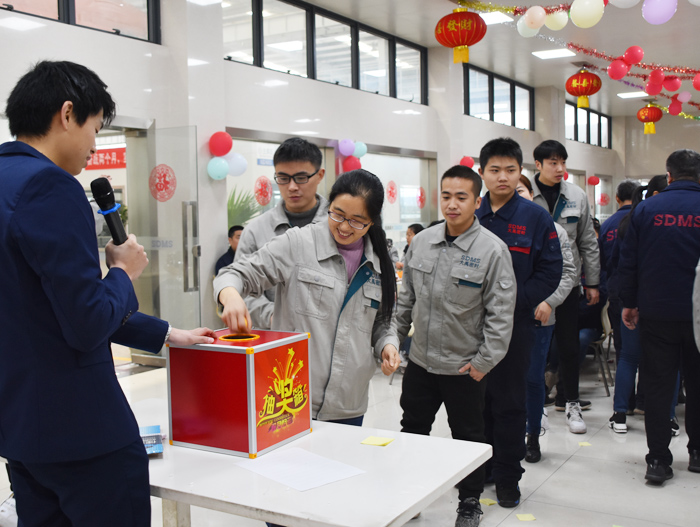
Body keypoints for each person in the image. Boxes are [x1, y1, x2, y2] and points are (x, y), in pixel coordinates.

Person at [0, 61, 216, 527]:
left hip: (20, 432)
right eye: (96, 129)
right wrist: (123, 271)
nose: (95, 146)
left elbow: (42, 308)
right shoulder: (51, 187)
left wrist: (167, 334)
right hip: (82, 433)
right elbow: (86, 322)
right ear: (67, 113)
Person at [215, 169, 401, 424]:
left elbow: (382, 320)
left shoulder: (379, 261)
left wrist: (388, 344)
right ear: (329, 205)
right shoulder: (298, 243)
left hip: (349, 402)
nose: (344, 227)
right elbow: (236, 273)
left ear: (372, 222)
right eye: (337, 214)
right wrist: (231, 296)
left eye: (357, 221)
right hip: (292, 399)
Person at [393, 165, 516, 527]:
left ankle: (470, 502)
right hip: (420, 361)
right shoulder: (422, 242)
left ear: (477, 202)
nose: (452, 204)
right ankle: (411, 493)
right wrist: (393, 342)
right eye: (446, 196)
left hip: (463, 366)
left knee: (468, 438)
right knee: (413, 428)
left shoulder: (492, 250)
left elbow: (501, 314)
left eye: (462, 197)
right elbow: (405, 300)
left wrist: (483, 363)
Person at [476, 138, 562, 507]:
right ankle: (481, 468)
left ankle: (508, 476)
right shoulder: (469, 214)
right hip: (471, 329)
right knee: (476, 403)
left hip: (516, 327)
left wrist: (514, 300)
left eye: (510, 170)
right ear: (482, 173)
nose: (503, 177)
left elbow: (551, 271)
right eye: (494, 170)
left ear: (520, 172)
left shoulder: (535, 218)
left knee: (510, 403)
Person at [619, 149, 700, 483]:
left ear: (669, 176)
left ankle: (658, 460)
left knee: (657, 386)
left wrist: (629, 302)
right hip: (698, 316)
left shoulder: (646, 209)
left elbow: (629, 261)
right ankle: (697, 453)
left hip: (657, 311)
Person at [531, 140, 600, 432]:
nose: (560, 168)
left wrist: (592, 281)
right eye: (553, 163)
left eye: (563, 162)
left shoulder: (577, 196)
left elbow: (587, 241)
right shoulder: (525, 193)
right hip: (536, 287)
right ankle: (535, 406)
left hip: (569, 285)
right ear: (538, 165)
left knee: (570, 346)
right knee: (535, 347)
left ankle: (571, 402)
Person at [232, 137, 328, 329]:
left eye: (301, 178)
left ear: (319, 175)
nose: (292, 187)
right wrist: (274, 316)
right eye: (283, 178)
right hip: (276, 337)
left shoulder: (340, 227)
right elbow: (242, 288)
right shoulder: (256, 231)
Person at [608, 176, 679, 434]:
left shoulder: (631, 220)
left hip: (634, 299)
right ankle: (668, 418)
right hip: (667, 302)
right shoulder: (672, 220)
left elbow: (618, 263)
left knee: (628, 356)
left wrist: (628, 299)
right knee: (670, 362)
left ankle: (619, 414)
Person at [515, 176, 576, 464]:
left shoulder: (554, 230)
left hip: (539, 316)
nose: (517, 196)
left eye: (521, 190)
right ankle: (506, 435)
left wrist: (549, 301)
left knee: (532, 377)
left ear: (531, 194)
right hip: (502, 317)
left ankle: (532, 435)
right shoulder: (494, 226)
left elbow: (567, 273)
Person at [599, 180, 641, 358]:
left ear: (617, 198)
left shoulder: (607, 225)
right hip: (641, 290)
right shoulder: (642, 219)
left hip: (616, 288)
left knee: (623, 348)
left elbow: (602, 262)